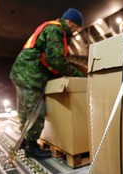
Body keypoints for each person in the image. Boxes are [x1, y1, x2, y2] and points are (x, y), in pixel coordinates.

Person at [10, 8, 86, 159]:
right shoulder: (56, 30)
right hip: (31, 75)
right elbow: (56, 60)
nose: (76, 30)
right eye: (77, 26)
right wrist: (79, 76)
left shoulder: (51, 27)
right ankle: (31, 147)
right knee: (36, 110)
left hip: (22, 72)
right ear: (70, 21)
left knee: (25, 110)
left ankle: (26, 140)